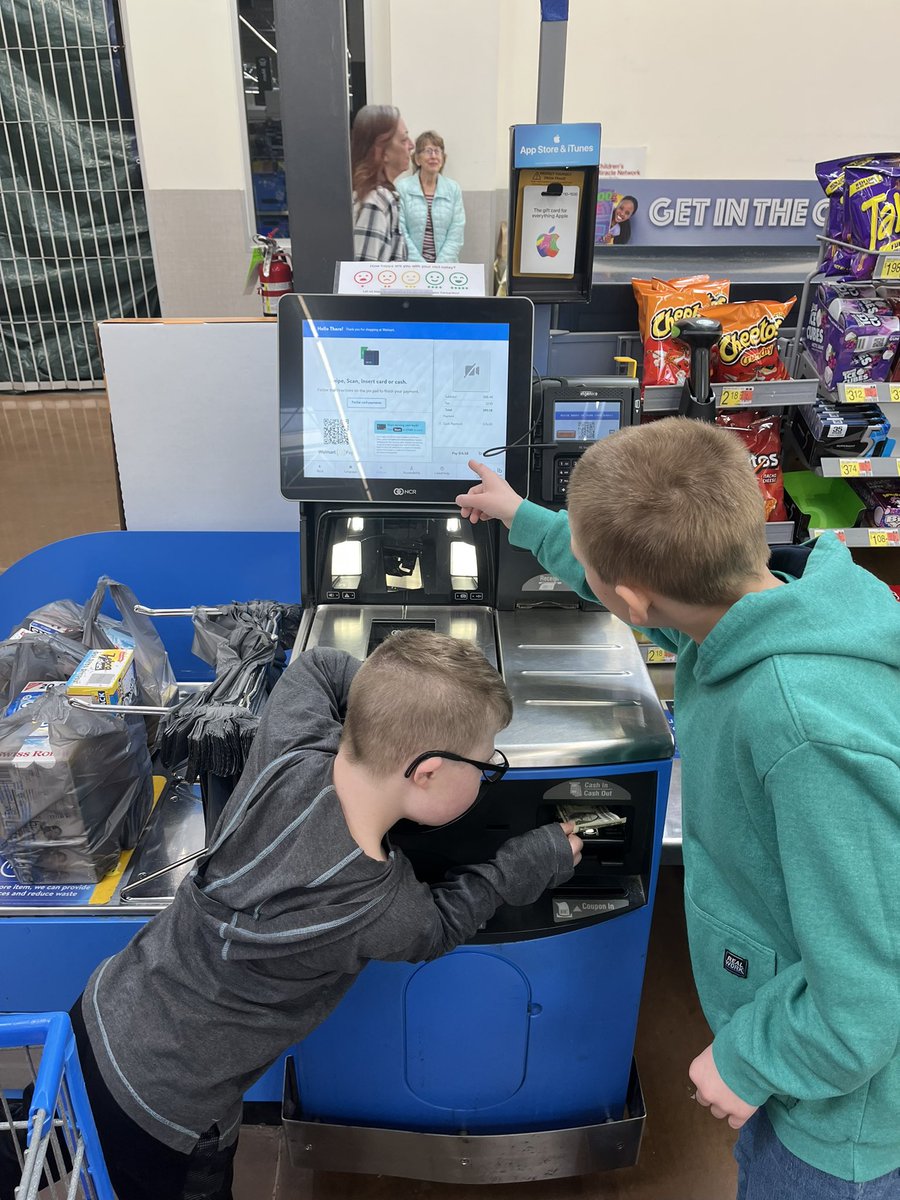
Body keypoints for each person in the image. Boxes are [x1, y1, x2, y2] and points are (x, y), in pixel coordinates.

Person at [455, 417, 900, 1198]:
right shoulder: (761, 603)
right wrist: (521, 516)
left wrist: (749, 1062)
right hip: (805, 1047)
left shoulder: (802, 733)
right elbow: (629, 578)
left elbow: (867, 988)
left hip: (845, 1124)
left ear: (630, 599)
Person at [62, 631, 582, 1200]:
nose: (486, 773)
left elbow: (317, 666)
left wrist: (391, 710)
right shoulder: (382, 907)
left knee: (44, 1141)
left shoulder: (291, 743)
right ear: (428, 771)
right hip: (168, 1111)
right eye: (485, 763)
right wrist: (523, 865)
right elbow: (441, 927)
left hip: (104, 1007)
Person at [350, 104, 414, 262]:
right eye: (403, 140)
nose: (411, 145)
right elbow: (363, 273)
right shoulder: (375, 202)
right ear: (381, 152)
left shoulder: (384, 197)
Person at [397, 131, 465, 262]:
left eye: (437, 151)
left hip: (446, 267)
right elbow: (401, 232)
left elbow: (456, 232)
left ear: (443, 158)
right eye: (428, 151)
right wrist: (421, 266)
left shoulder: (453, 189)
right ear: (417, 159)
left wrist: (439, 267)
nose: (433, 156)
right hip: (410, 267)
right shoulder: (402, 188)